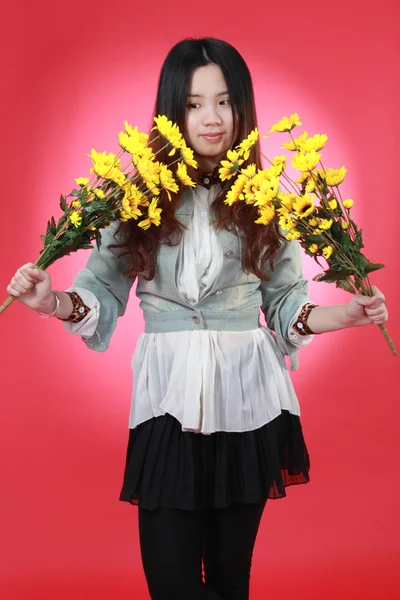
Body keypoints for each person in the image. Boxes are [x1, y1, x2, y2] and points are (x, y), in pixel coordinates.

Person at [6, 38, 388, 600]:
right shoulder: (132, 197)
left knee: (231, 580)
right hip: (167, 400)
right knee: (173, 584)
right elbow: (99, 295)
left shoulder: (268, 197)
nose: (211, 118)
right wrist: (51, 302)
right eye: (193, 104)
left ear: (242, 110)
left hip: (249, 398)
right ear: (171, 111)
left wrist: (346, 314)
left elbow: (285, 307)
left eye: (225, 102)